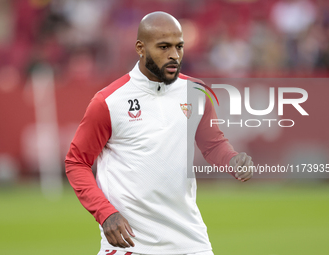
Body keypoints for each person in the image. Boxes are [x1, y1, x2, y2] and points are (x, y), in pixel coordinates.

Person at [65, 11, 253, 255]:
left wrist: (232, 159)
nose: (174, 55)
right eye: (164, 47)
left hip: (191, 241)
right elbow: (76, 162)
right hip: (131, 244)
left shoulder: (196, 92)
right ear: (140, 48)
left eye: (179, 46)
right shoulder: (108, 101)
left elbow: (213, 145)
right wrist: (105, 213)